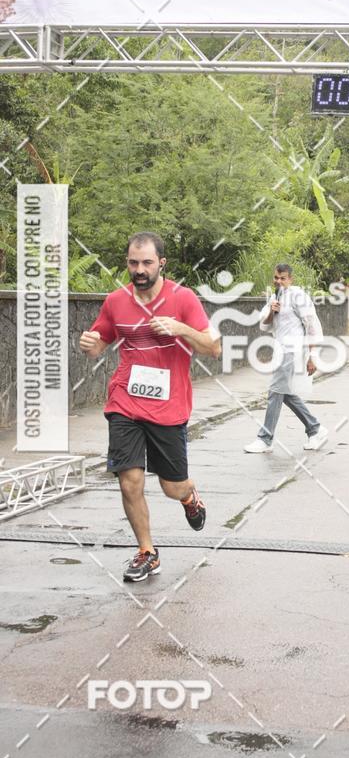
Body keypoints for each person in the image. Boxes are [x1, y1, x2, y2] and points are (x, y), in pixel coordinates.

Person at [79, 232, 221, 582]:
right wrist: (89, 344)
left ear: (161, 263)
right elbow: (99, 344)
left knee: (172, 487)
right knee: (129, 482)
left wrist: (180, 328)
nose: (139, 269)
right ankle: (147, 551)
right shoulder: (116, 301)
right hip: (125, 401)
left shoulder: (183, 298)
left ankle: (189, 498)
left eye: (146, 263)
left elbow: (213, 348)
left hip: (169, 407)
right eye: (133, 262)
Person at [244, 263, 328, 454]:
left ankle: (265, 439)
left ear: (290, 279)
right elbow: (264, 326)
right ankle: (315, 429)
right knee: (284, 392)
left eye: (283, 278)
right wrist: (272, 312)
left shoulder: (298, 296)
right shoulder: (275, 296)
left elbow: (312, 326)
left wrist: (312, 356)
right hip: (280, 349)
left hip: (293, 349)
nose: (279, 281)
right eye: (276, 277)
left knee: (275, 391)